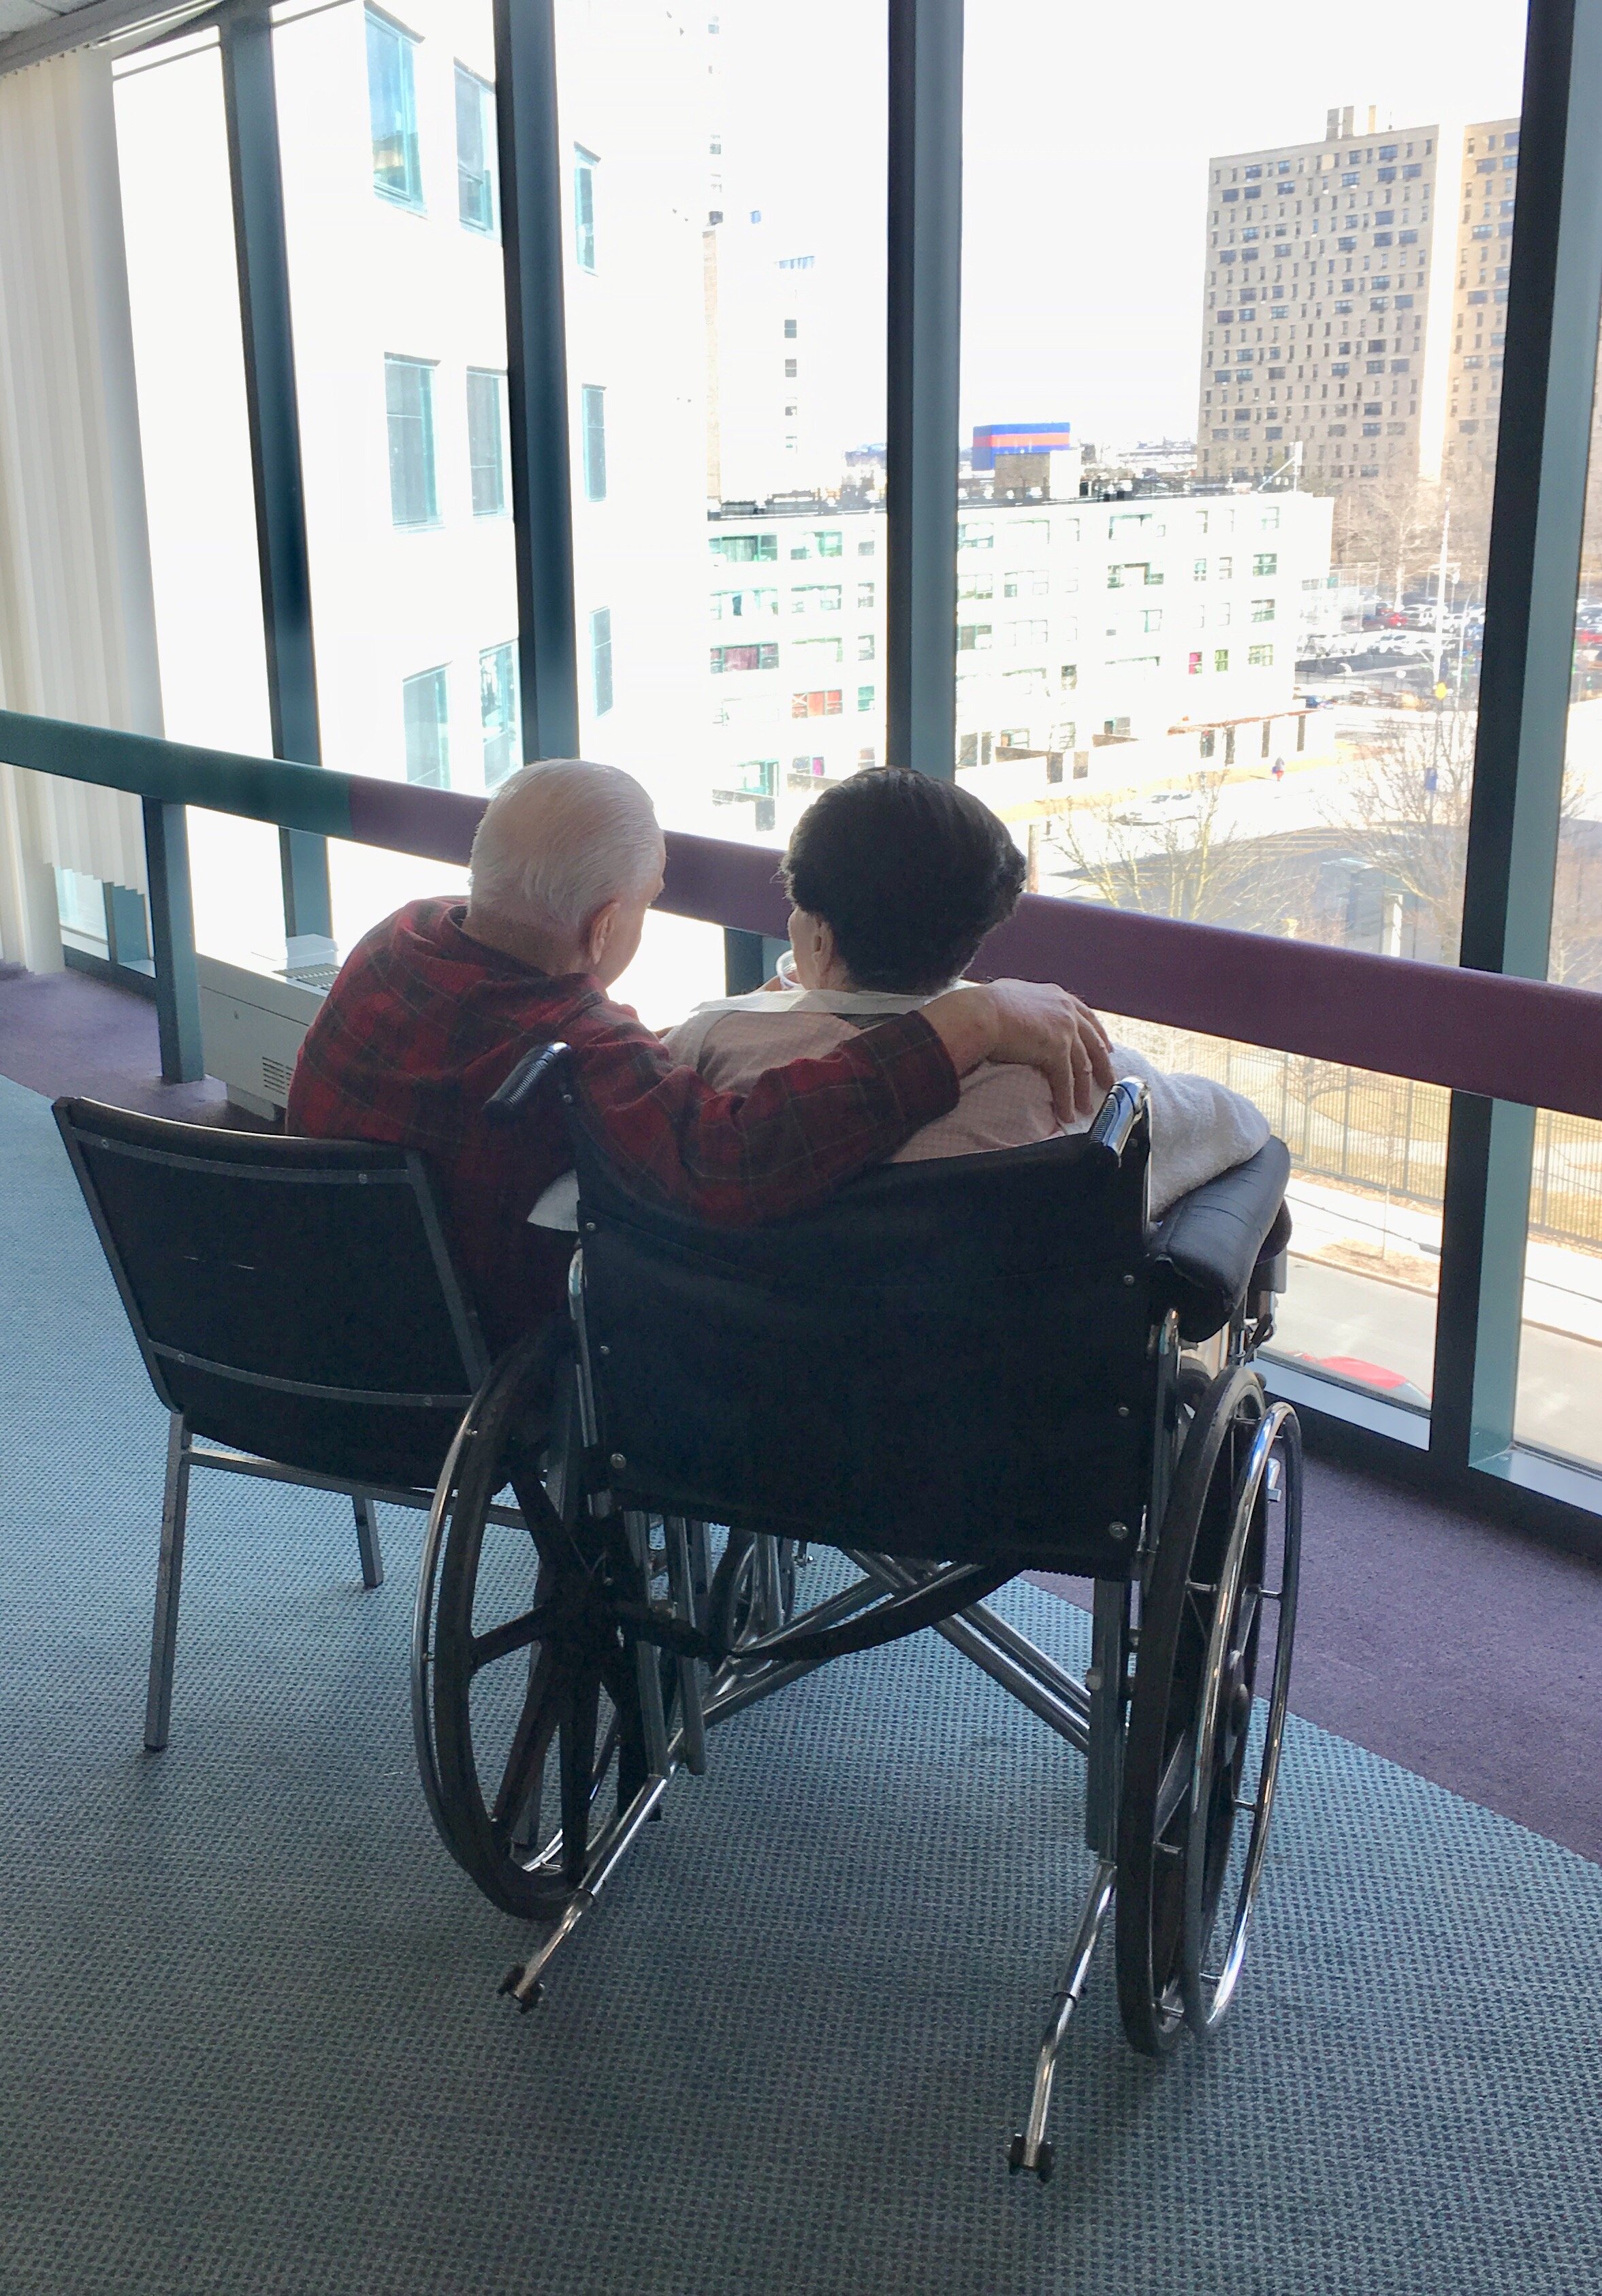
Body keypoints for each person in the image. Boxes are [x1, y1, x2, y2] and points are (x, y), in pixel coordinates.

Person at [286, 758, 1115, 1348]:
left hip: (300, 1322)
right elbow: (735, 1159)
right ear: (605, 927)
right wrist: (970, 1022)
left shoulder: (394, 943)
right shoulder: (582, 1052)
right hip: (466, 1362)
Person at [658, 768, 1270, 1219]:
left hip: (747, 1367)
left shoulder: (710, 1047)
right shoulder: (1083, 1082)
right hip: (974, 1377)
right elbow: (1242, 1125)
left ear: (819, 936)